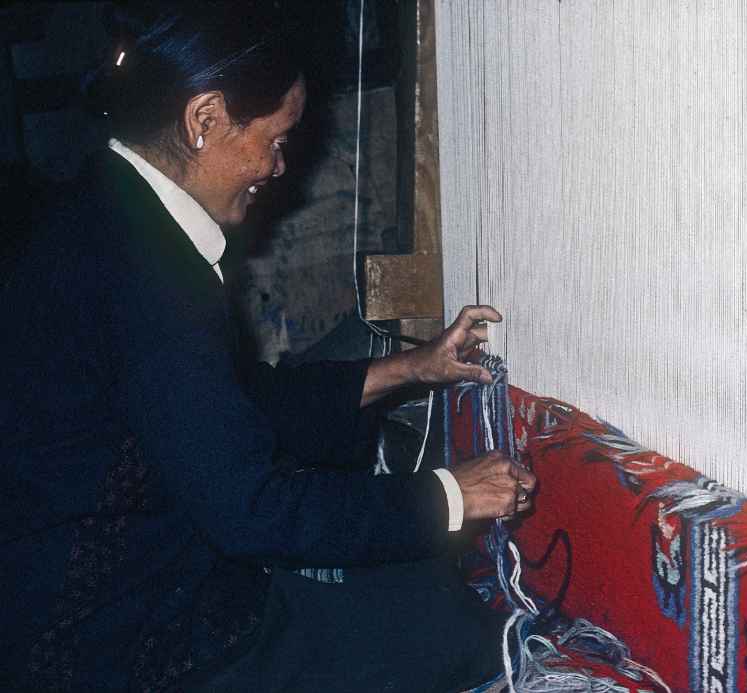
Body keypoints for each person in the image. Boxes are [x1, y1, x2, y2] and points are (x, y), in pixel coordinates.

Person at [0, 6, 536, 692]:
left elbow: (222, 407)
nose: (279, 167)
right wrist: (449, 495)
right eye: (276, 139)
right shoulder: (152, 277)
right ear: (206, 119)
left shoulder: (106, 207)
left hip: (106, 585)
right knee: (468, 639)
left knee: (423, 592)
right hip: (116, 641)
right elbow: (253, 510)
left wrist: (408, 367)